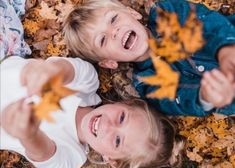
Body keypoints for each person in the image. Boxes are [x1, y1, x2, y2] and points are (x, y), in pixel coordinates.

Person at [0, 56, 184, 168]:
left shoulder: (73, 157)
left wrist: (29, 134)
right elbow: (65, 70)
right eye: (121, 118)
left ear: (112, 160)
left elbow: (44, 154)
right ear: (125, 103)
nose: (108, 126)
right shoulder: (86, 84)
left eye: (117, 141)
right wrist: (49, 74)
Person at [63, 0, 235, 116]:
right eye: (103, 39)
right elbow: (179, 101)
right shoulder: (146, 84)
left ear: (132, 13)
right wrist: (206, 97)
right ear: (109, 62)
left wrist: (226, 51)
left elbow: (206, 23)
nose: (113, 31)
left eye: (113, 19)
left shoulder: (165, 12)